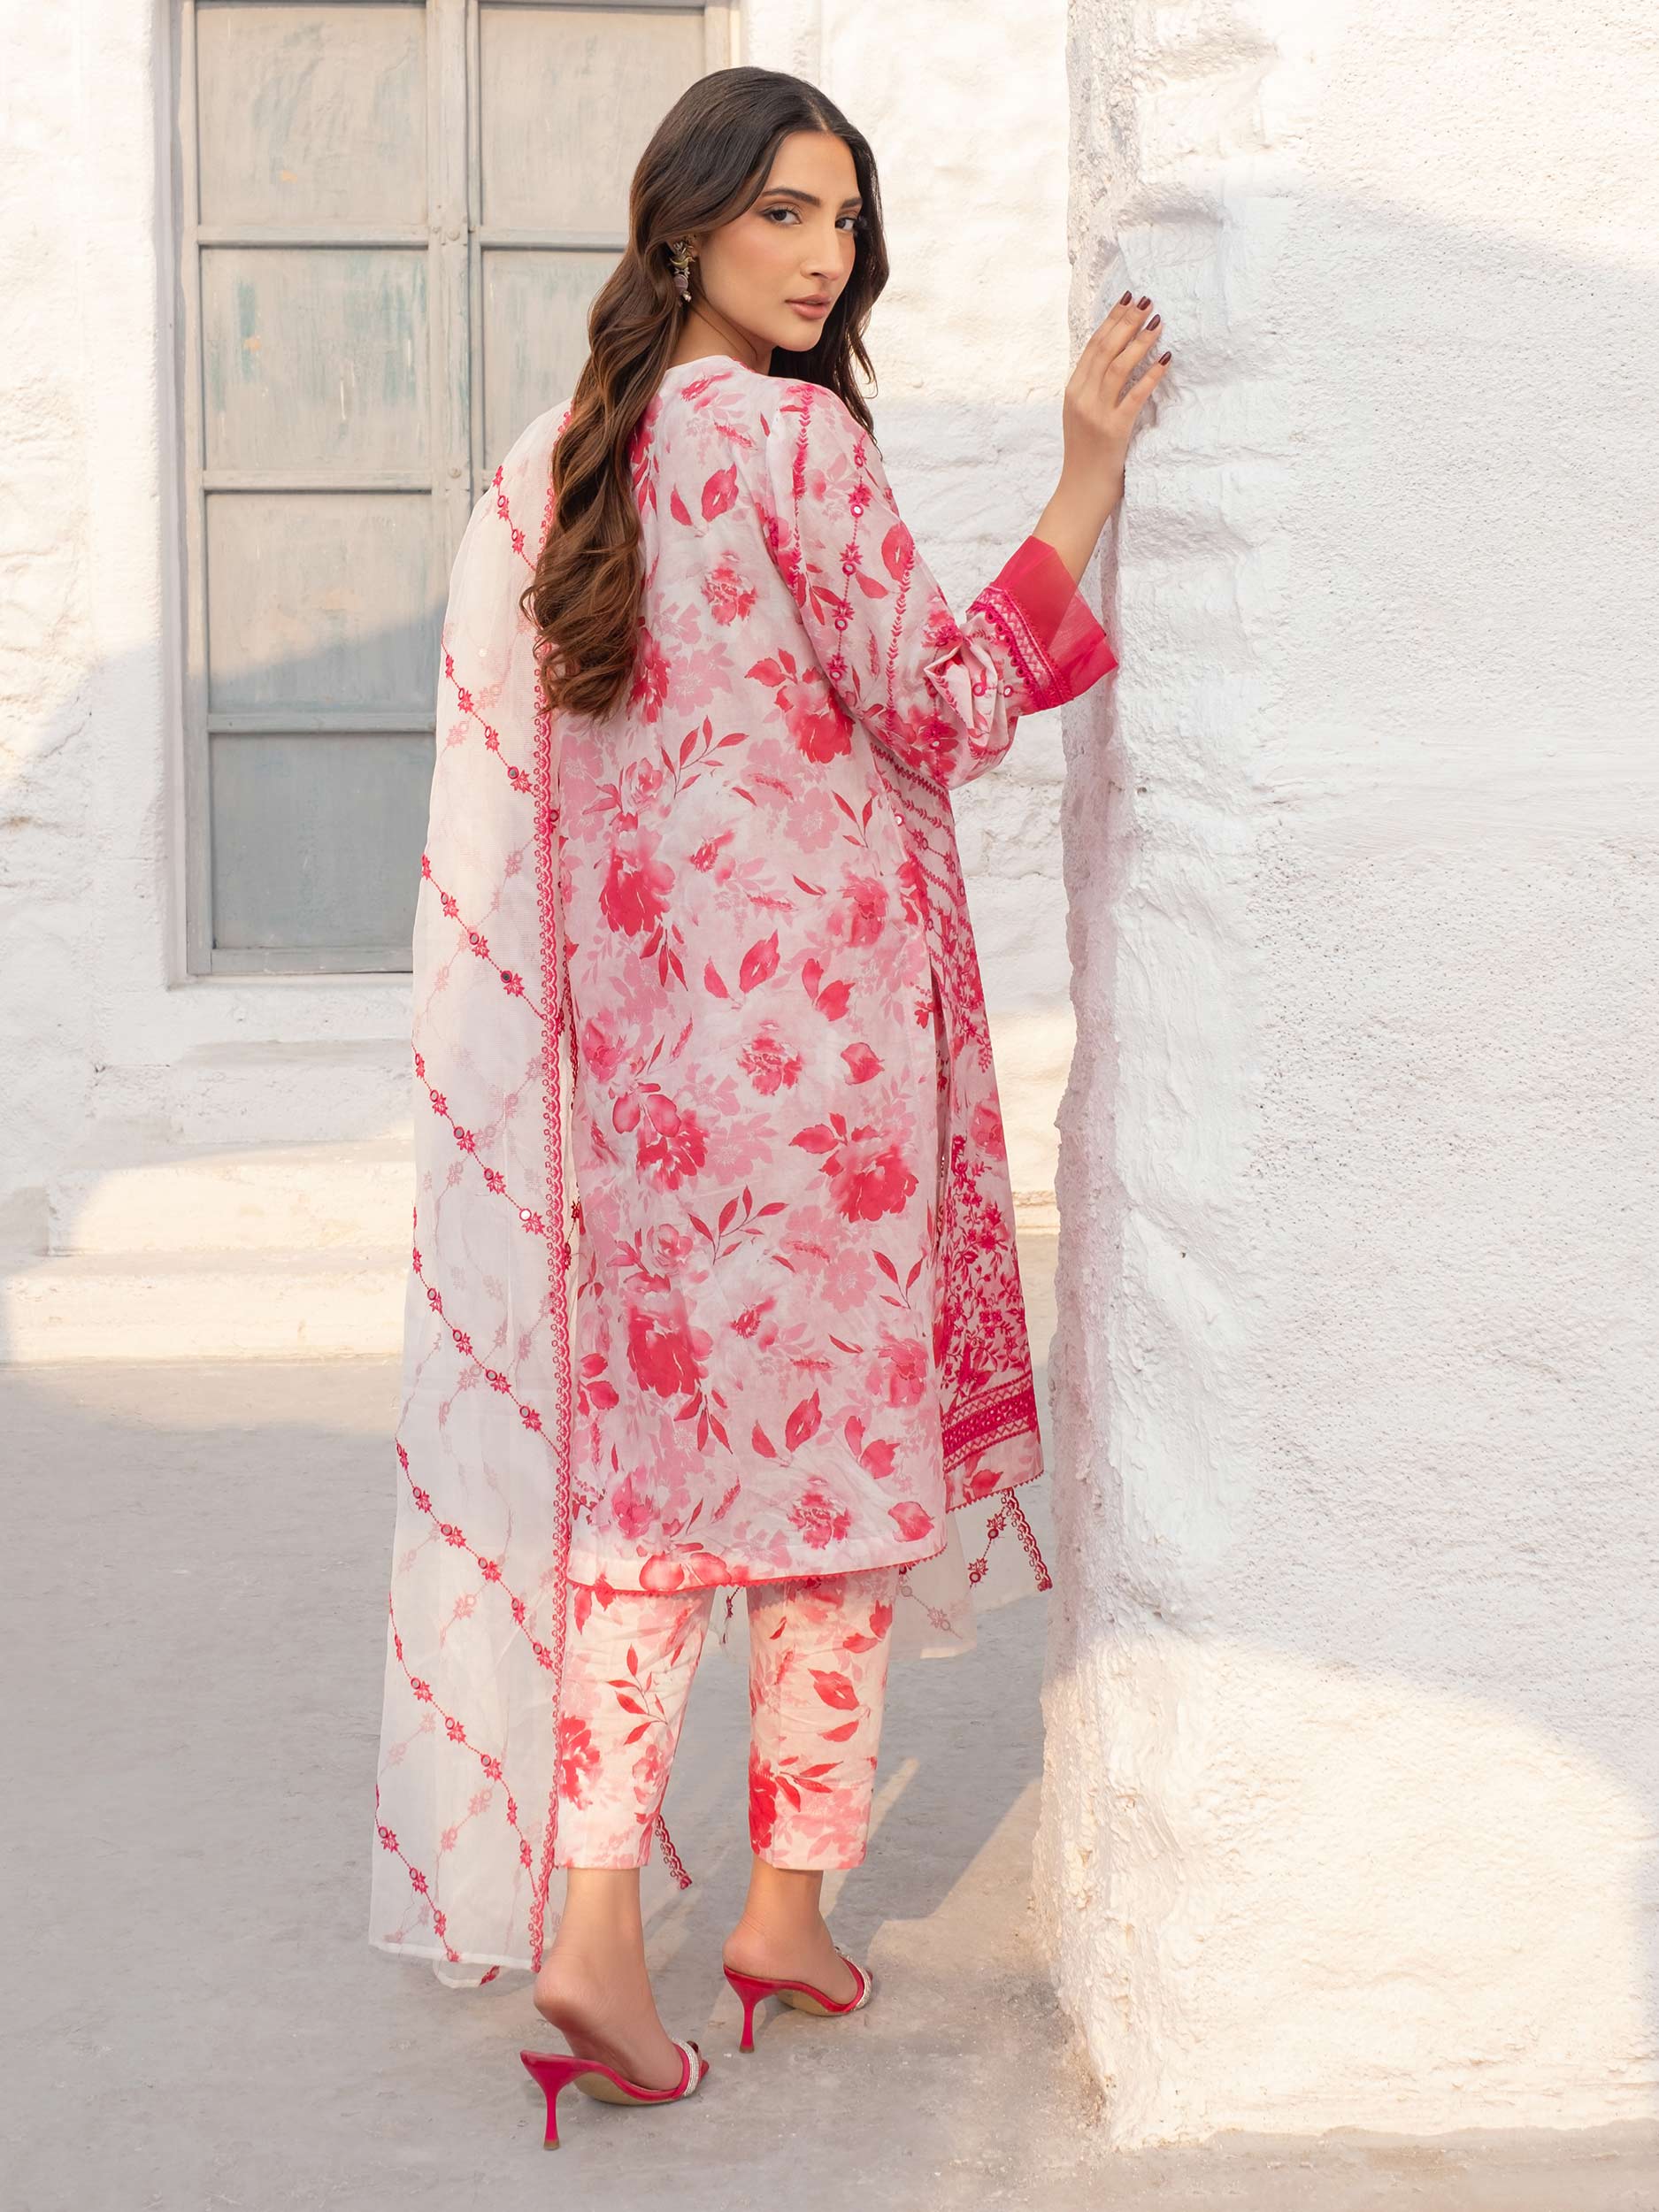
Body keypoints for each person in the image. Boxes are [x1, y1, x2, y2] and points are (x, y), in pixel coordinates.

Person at [368, 64, 1167, 2148]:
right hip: (816, 1084)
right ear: (687, 226)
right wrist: (1080, 481)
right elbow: (946, 705)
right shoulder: (790, 441)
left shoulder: (571, 462)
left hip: (644, 1093)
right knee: (832, 1500)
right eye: (783, 214)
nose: (822, 257)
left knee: (651, 1510)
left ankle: (660, 1919)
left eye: (843, 219)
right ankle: (759, 1909)